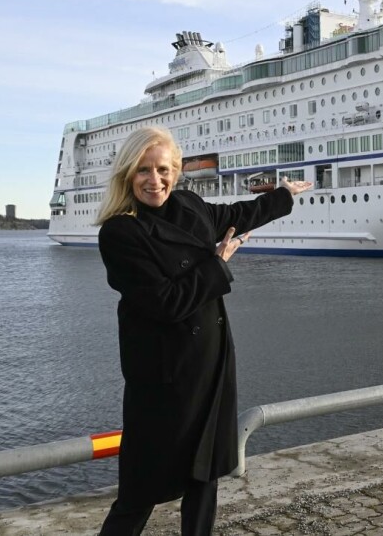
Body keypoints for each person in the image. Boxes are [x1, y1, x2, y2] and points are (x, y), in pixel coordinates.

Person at [94, 126, 311, 535]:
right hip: (163, 378)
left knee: (205, 476)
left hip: (210, 366)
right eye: (143, 170)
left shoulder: (189, 206)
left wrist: (282, 196)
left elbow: (235, 215)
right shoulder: (120, 232)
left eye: (162, 169)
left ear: (175, 171)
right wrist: (218, 263)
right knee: (139, 492)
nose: (154, 180)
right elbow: (166, 303)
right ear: (127, 173)